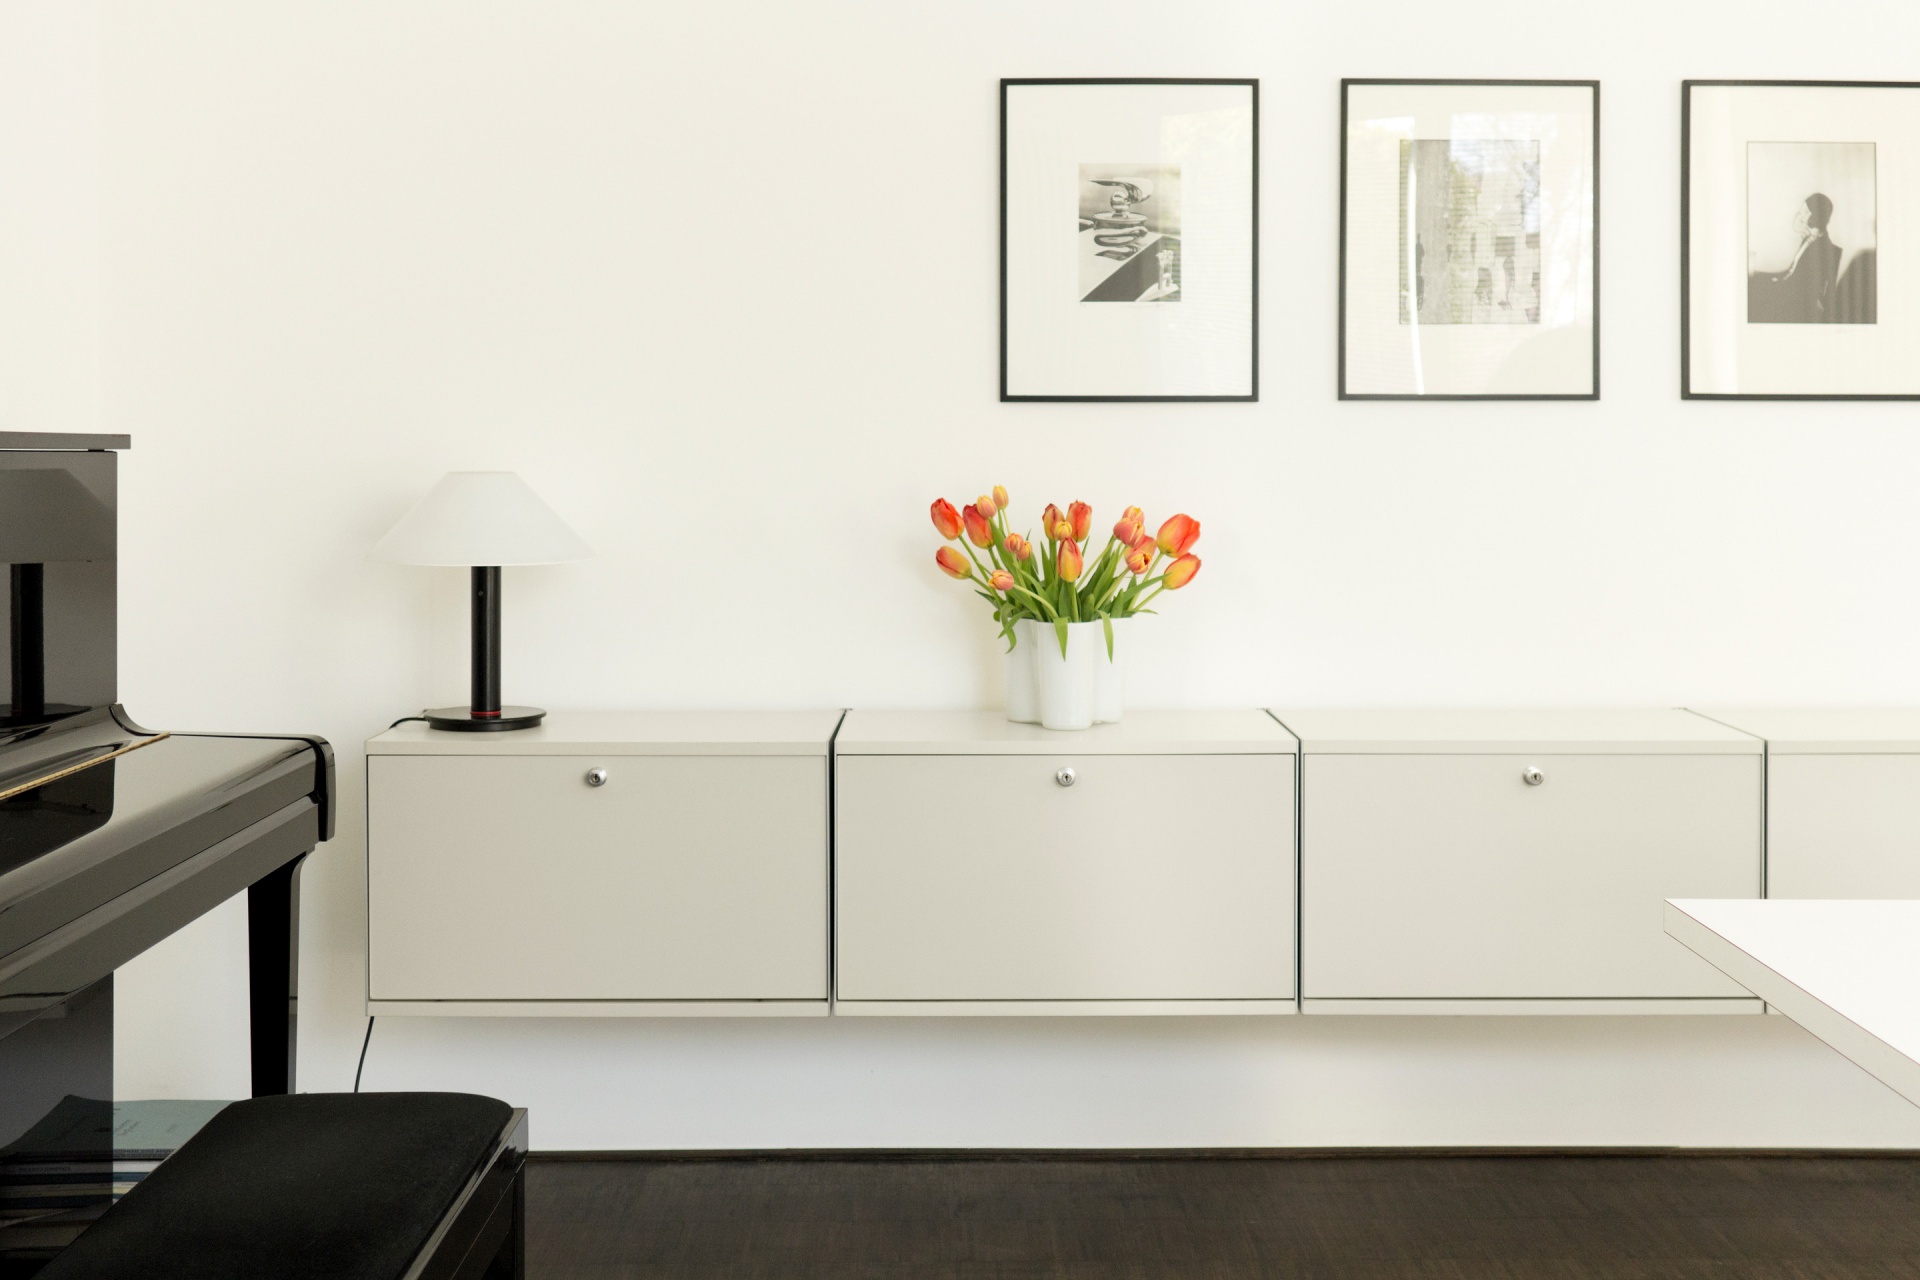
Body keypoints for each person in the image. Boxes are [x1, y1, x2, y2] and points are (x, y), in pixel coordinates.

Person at [1748, 193, 1841, 323]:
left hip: (1797, 300)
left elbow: (1805, 286)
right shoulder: (1809, 239)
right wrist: (1772, 278)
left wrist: (1776, 283)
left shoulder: (1824, 250)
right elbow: (1792, 271)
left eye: (1805, 211)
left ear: (1817, 216)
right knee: (1753, 279)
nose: (1801, 215)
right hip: (1789, 287)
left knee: (1753, 290)